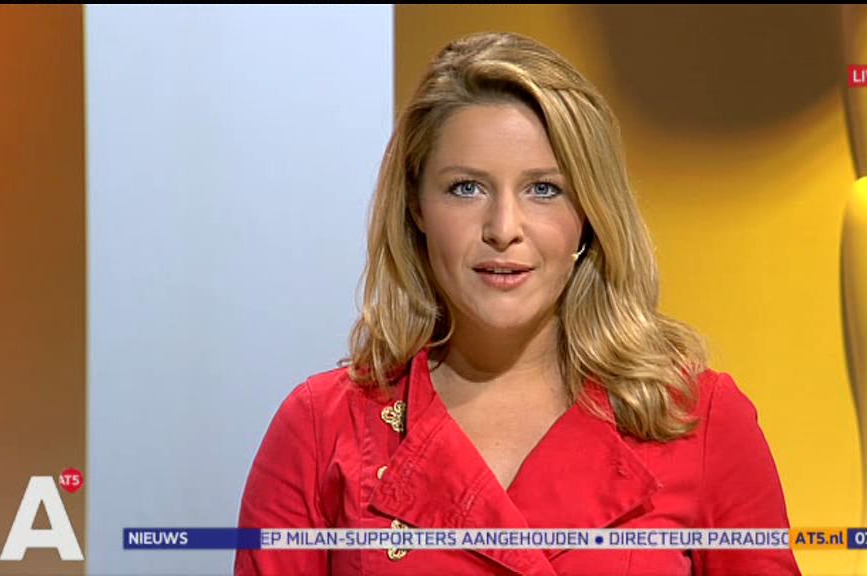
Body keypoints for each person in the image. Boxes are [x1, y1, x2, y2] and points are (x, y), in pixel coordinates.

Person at [235, 31, 800, 575]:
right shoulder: (319, 429)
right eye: (466, 188)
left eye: (544, 189)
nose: (503, 228)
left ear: (589, 215)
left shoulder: (697, 420)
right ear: (416, 207)